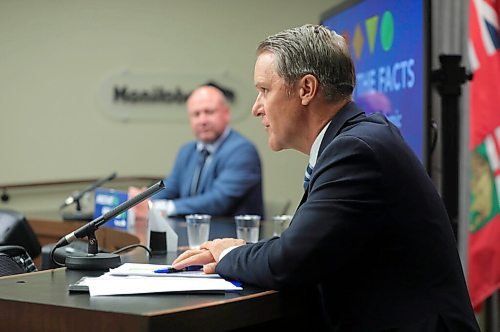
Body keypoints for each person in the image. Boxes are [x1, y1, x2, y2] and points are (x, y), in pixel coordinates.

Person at [172, 25, 480, 331]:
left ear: (306, 89)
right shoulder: (354, 139)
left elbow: (289, 261)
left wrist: (228, 252)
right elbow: (307, 246)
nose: (256, 108)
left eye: (264, 90)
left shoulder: (356, 150)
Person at [152, 85, 264, 217]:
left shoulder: (242, 151)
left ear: (226, 113)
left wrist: (165, 207)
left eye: (209, 112)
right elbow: (170, 188)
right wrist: (145, 201)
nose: (202, 120)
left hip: (232, 235)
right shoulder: (187, 151)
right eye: (196, 114)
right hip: (192, 233)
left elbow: (218, 201)